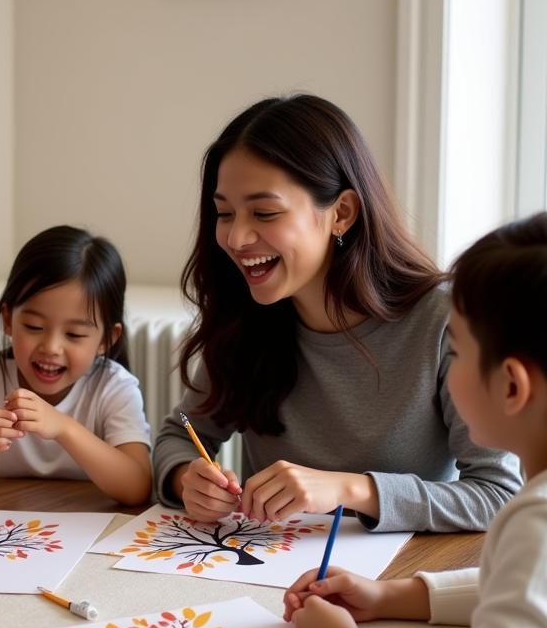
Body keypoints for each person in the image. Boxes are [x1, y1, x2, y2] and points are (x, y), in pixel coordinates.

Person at [153, 94, 521, 531]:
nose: (235, 237)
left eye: (264, 212)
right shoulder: (246, 317)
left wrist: (350, 490)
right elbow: (179, 435)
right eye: (224, 213)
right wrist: (184, 478)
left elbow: (499, 496)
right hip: (268, 579)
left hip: (397, 585)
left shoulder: (445, 319)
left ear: (341, 214)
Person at [285, 213, 547, 628]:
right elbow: (528, 592)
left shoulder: (536, 518)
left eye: (454, 351)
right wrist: (398, 595)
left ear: (511, 385)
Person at [0, 225, 152, 505]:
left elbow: (137, 487)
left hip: (89, 530)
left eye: (74, 334)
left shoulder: (113, 388)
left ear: (107, 339)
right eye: (34, 326)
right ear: (9, 320)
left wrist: (63, 427)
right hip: (2, 526)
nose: (50, 347)